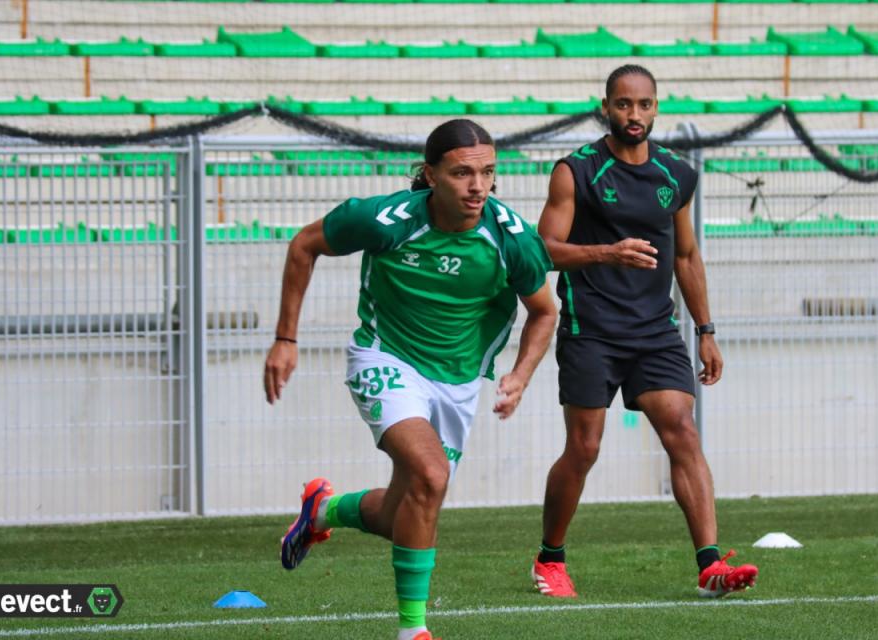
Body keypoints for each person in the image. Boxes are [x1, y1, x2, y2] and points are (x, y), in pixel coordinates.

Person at [264, 119, 557, 640]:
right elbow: (304, 244)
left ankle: (322, 510)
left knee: (403, 511)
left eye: (488, 172)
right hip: (385, 359)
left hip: (458, 384)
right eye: (462, 173)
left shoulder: (511, 238)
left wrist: (520, 373)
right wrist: (286, 339)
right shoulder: (385, 219)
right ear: (430, 174)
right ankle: (413, 630)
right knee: (430, 474)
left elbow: (544, 311)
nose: (478, 186)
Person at [531, 65, 758, 599]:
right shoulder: (576, 171)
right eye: (624, 105)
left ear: (657, 108)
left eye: (645, 105)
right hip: (592, 329)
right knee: (584, 448)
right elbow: (542, 248)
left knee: (682, 428)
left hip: (655, 332)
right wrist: (607, 252)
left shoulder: (676, 174)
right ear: (605, 107)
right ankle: (550, 559)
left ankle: (709, 566)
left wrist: (705, 329)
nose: (635, 115)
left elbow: (685, 255)